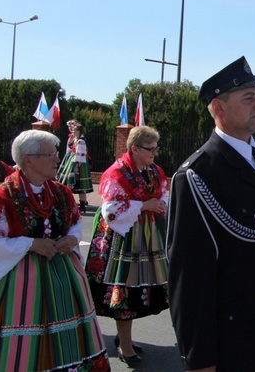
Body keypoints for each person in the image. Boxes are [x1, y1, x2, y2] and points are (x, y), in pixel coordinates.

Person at [167, 56, 255, 371]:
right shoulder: (197, 175)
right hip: (230, 335)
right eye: (249, 98)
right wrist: (200, 358)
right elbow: (188, 278)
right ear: (219, 108)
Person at [0, 130, 109, 370]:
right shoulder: (3, 196)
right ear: (29, 159)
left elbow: (76, 223)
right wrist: (30, 244)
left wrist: (72, 237)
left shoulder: (60, 192)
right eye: (51, 154)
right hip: (20, 283)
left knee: (68, 339)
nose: (58, 159)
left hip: (64, 277)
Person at [84, 125, 170, 365]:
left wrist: (160, 203)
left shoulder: (153, 170)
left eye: (155, 148)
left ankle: (125, 339)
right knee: (123, 288)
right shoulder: (117, 173)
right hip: (121, 237)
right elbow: (111, 210)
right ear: (134, 148)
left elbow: (163, 191)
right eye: (150, 148)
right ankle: (124, 344)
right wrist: (144, 206)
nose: (155, 153)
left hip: (147, 234)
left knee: (139, 288)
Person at [58, 123, 93, 212]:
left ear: (78, 131)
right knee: (76, 186)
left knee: (80, 186)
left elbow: (81, 155)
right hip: (74, 161)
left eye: (74, 130)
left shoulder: (81, 141)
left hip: (78, 164)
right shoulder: (75, 140)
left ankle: (81, 206)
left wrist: (77, 167)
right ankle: (73, 204)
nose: (72, 131)